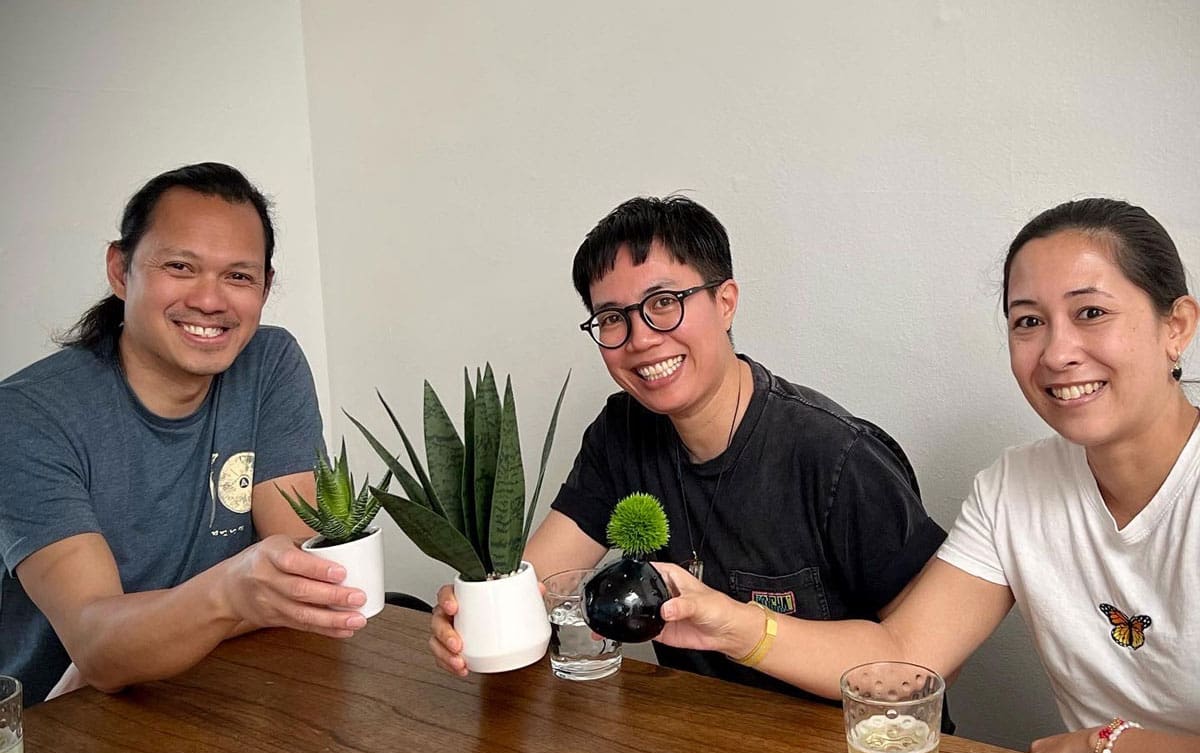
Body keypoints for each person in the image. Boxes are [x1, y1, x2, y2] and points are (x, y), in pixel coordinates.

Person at [648, 198, 1200, 753]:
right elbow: (907, 657)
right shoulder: (1016, 487)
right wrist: (729, 624)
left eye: (1091, 312)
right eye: (1028, 321)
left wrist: (1109, 747)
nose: (1057, 351)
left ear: (1177, 326)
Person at [431, 196, 947, 706]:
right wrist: (475, 606)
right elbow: (537, 583)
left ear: (725, 302)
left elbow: (916, 668)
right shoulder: (621, 432)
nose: (640, 339)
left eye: (663, 303)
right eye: (612, 318)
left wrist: (745, 631)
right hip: (694, 742)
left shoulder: (838, 458)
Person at [0, 162, 367, 707]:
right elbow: (99, 648)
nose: (210, 301)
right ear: (121, 271)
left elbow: (302, 582)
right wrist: (233, 594)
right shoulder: (26, 414)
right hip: (58, 718)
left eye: (239, 276)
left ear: (266, 288)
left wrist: (161, 628)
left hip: (219, 688)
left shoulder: (269, 363)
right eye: (180, 266)